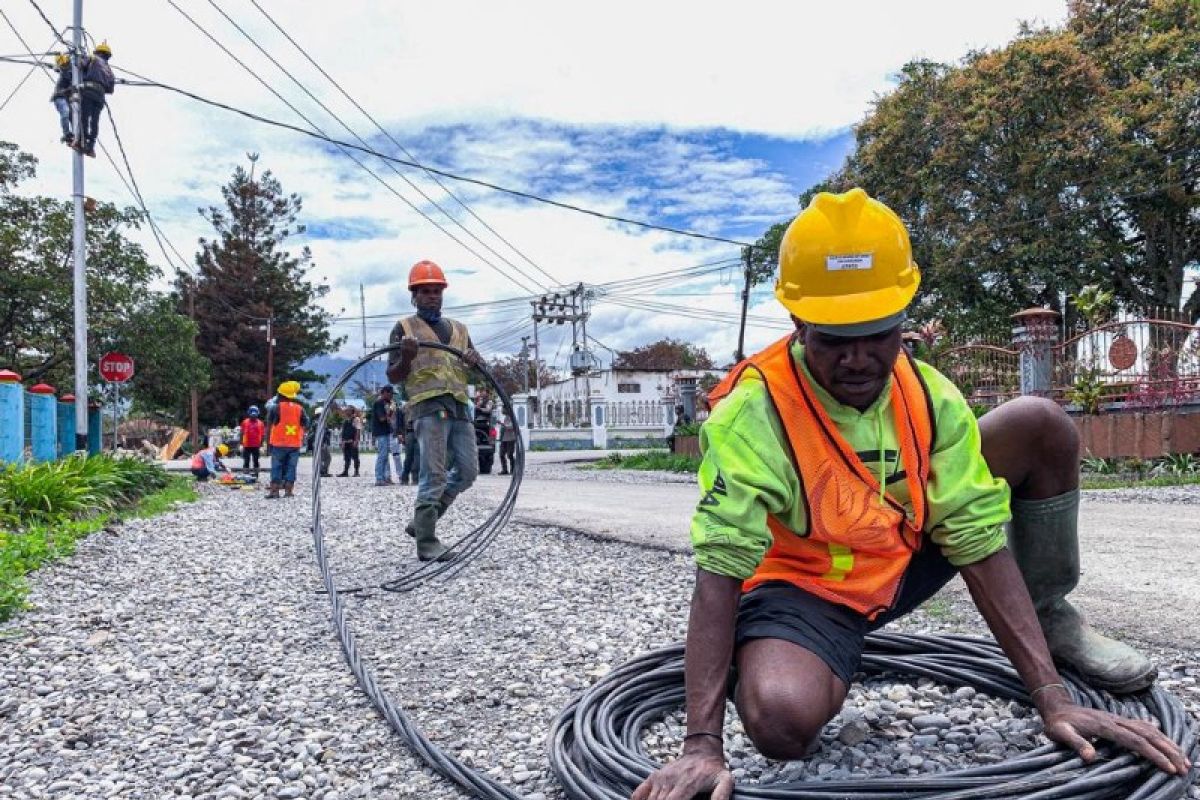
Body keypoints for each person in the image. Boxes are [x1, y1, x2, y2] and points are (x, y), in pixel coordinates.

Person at [632, 188, 1187, 800]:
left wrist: (1051, 697)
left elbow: (976, 539)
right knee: (781, 722)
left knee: (1039, 423)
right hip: (809, 588)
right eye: (834, 338)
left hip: (901, 559)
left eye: (877, 333)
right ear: (797, 324)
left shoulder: (929, 394)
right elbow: (719, 569)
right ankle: (777, 649)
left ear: (903, 319)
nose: (858, 358)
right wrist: (703, 745)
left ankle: (1050, 617)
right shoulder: (753, 414)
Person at [386, 259, 483, 561]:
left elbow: (478, 374)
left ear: (442, 293)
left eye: (436, 291)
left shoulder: (459, 329)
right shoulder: (404, 329)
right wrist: (405, 357)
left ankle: (421, 523)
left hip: (458, 407)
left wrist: (475, 362)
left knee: (467, 471)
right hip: (428, 408)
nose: (431, 296)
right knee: (434, 473)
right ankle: (427, 543)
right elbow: (393, 375)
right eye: (424, 291)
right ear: (413, 295)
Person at [265, 380, 308, 499]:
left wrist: (267, 443)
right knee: (291, 467)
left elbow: (269, 423)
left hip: (278, 443)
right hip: (294, 444)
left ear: (281, 395)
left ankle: (274, 491)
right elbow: (306, 423)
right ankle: (289, 491)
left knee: (276, 467)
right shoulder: (300, 409)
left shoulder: (275, 408)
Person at [75, 41, 114, 158]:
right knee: (95, 122)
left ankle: (82, 141)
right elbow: (110, 89)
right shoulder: (110, 71)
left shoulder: (93, 58)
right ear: (107, 56)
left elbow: (80, 64)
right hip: (100, 96)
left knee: (84, 117)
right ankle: (91, 146)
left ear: (97, 52)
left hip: (88, 91)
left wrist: (78, 57)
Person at [371, 385, 396, 486]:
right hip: (381, 432)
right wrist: (390, 413)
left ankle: (386, 477)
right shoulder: (379, 403)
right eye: (390, 393)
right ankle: (379, 478)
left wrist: (391, 411)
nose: (391, 396)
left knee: (385, 455)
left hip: (385, 431)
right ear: (385, 392)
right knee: (382, 455)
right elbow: (382, 418)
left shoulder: (387, 403)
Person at [50, 53, 73, 144]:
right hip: (60, 97)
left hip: (68, 99)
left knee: (73, 117)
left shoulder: (73, 72)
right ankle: (66, 133)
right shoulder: (65, 72)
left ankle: (73, 135)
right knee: (66, 113)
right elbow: (61, 69)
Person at [239, 406, 265, 474]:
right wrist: (241, 444)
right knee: (246, 460)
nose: (253, 416)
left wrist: (262, 446)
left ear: (257, 414)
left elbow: (262, 435)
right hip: (246, 445)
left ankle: (256, 475)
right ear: (249, 413)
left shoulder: (260, 423)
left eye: (255, 414)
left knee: (256, 460)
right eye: (252, 414)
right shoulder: (244, 422)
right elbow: (241, 434)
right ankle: (245, 474)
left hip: (256, 446)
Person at [399, 410, 420, 486]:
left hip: (413, 432)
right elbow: (401, 421)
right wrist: (401, 434)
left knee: (414, 457)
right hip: (412, 432)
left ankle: (411, 478)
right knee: (412, 457)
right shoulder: (406, 407)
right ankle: (410, 478)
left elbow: (400, 421)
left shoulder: (406, 406)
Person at [338, 408, 361, 477]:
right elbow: (343, 432)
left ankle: (356, 472)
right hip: (346, 441)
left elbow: (358, 430)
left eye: (348, 410)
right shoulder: (346, 420)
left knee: (355, 457)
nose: (346, 411)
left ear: (351, 411)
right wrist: (342, 441)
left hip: (352, 441)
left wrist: (356, 441)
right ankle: (345, 471)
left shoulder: (356, 419)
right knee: (346, 457)